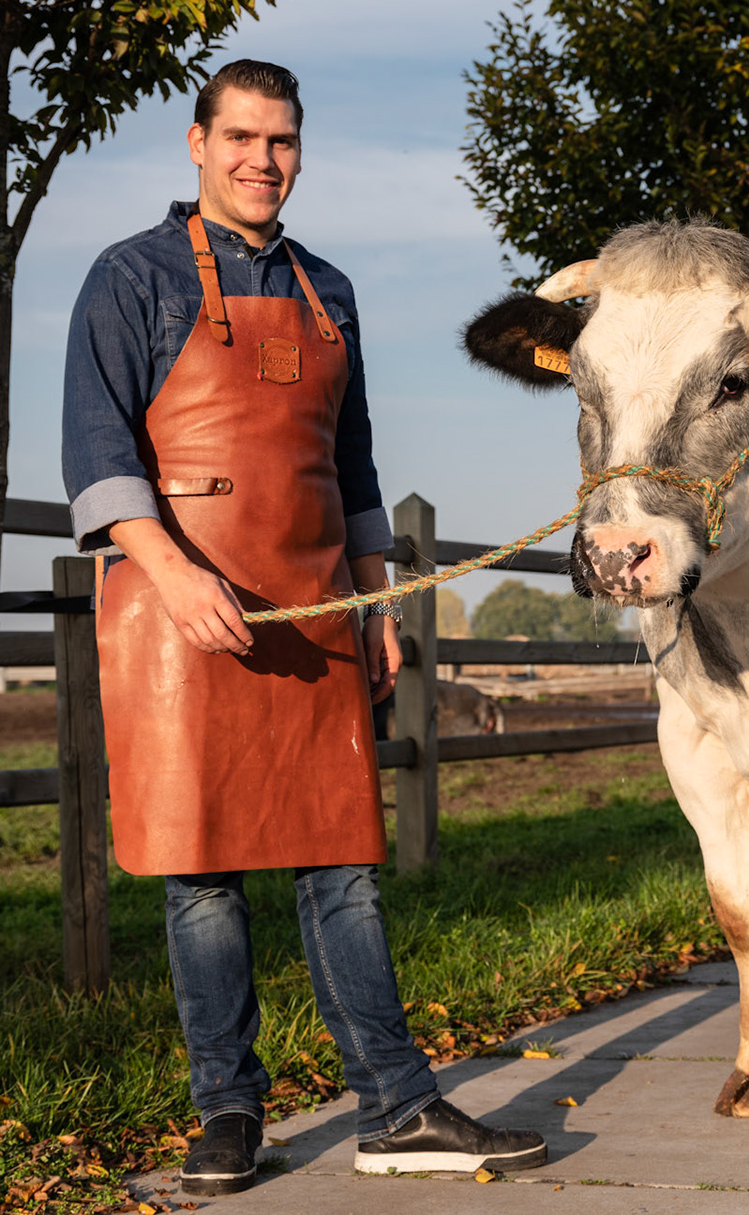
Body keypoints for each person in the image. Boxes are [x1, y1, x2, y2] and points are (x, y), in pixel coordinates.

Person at [61, 59, 545, 1197]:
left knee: (345, 863)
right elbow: (98, 453)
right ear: (196, 142)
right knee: (203, 872)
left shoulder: (331, 289)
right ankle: (227, 1113)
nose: (260, 161)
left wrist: (375, 597)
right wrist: (175, 576)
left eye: (280, 141)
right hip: (182, 612)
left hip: (320, 603)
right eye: (240, 138)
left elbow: (354, 460)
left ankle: (398, 1103)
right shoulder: (128, 277)